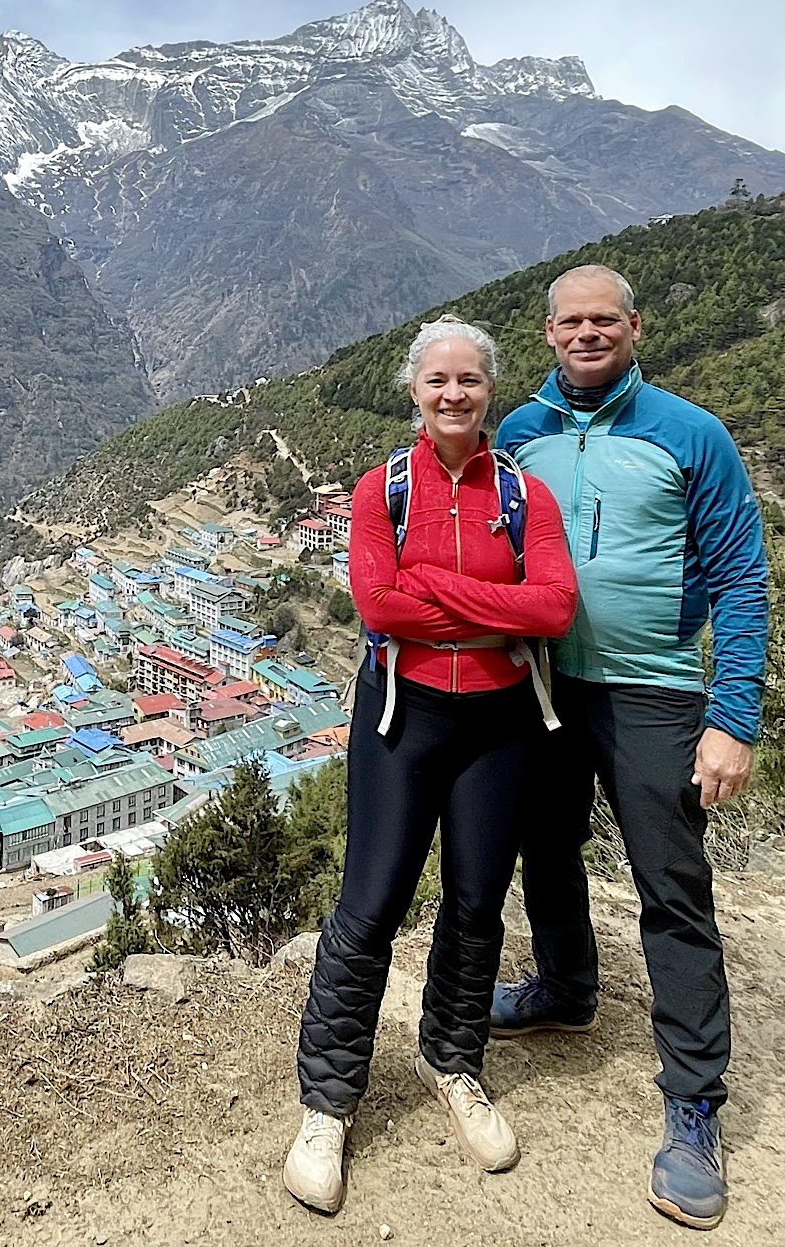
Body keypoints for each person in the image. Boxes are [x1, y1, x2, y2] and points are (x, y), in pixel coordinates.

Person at [492, 263, 770, 1232]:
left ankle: (692, 1101)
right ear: (545, 333)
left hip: (653, 688)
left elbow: (739, 572)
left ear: (631, 327)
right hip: (544, 684)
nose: (584, 334)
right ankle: (566, 987)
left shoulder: (689, 435)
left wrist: (731, 716)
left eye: (600, 320)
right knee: (544, 845)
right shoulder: (516, 436)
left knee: (669, 886)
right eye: (568, 321)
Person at [284, 316, 577, 1215]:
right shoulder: (384, 490)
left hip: (499, 725)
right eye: (438, 380)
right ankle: (328, 1103)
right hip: (400, 719)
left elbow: (557, 606)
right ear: (413, 391)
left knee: (476, 902)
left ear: (492, 390)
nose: (455, 394)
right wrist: (499, 611)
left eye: (471, 380)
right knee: (368, 906)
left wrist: (435, 597)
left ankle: (454, 1060)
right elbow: (377, 602)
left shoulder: (526, 496)